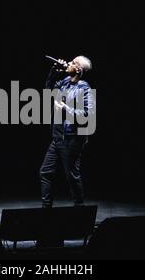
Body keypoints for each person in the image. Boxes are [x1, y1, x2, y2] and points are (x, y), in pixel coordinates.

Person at [40, 56, 95, 208]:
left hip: (72, 138)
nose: (69, 63)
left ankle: (80, 209)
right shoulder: (64, 82)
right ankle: (46, 209)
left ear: (78, 69)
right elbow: (48, 91)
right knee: (45, 172)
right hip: (57, 136)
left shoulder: (84, 88)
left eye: (73, 62)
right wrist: (53, 71)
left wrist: (65, 108)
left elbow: (88, 115)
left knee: (71, 176)